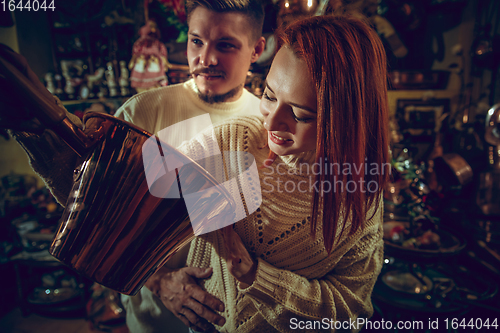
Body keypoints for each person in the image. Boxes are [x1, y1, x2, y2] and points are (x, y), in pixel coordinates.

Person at [149, 14, 390, 332]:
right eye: (269, 96)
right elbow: (142, 220)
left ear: (346, 119)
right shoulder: (230, 140)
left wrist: (254, 274)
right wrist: (162, 280)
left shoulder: (360, 198)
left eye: (300, 115)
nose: (272, 123)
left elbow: (350, 308)